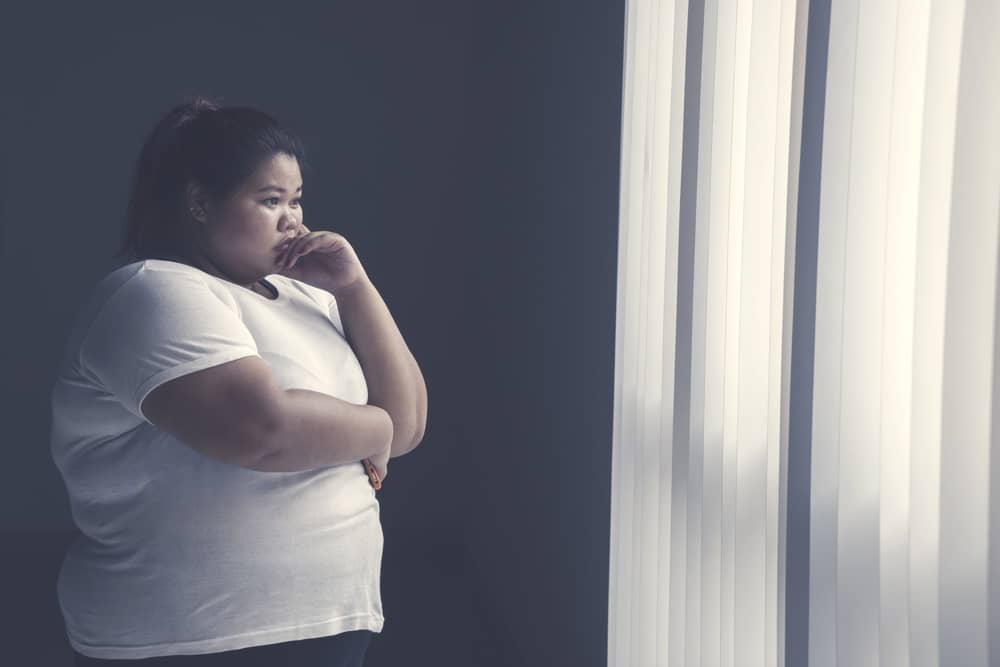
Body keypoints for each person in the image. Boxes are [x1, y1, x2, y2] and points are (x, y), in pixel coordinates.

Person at [48, 97, 428, 666]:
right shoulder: (152, 291)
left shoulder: (311, 297)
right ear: (200, 203)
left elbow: (411, 424)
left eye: (296, 200)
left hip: (331, 622)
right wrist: (374, 427)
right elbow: (259, 429)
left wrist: (354, 287)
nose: (293, 220)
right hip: (181, 639)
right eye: (270, 200)